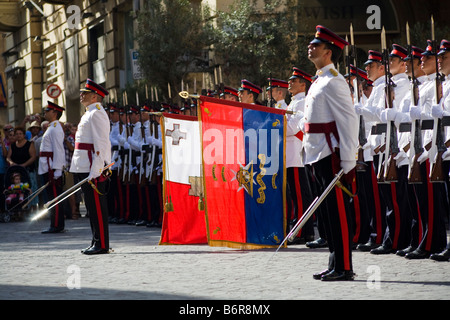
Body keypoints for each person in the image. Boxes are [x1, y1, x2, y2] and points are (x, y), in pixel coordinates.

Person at [304, 25, 358, 281]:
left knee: (337, 214)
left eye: (316, 45)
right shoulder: (319, 80)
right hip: (316, 154)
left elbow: (348, 121)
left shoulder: (334, 81)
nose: (310, 47)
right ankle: (334, 262)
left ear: (328, 52)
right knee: (327, 215)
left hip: (330, 155)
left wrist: (348, 160)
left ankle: (345, 266)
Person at [405, 40, 448, 259]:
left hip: (437, 147)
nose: (427, 61)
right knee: (422, 201)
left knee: (434, 201)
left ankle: (432, 241)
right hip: (424, 147)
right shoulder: (426, 85)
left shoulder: (439, 84)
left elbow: (438, 117)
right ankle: (427, 239)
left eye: (439, 58)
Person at [70, 79, 111, 255]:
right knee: (90, 207)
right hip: (84, 165)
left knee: (96, 207)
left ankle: (101, 244)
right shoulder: (89, 113)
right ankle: (96, 240)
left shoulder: (97, 113)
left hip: (91, 167)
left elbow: (101, 143)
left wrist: (97, 169)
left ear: (95, 96)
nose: (81, 95)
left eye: (85, 93)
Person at [283, 68, 316, 245]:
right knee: (296, 194)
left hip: (296, 155)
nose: (290, 83)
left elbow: (292, 129)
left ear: (303, 84)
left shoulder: (301, 102)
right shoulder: (294, 102)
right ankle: (301, 229)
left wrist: (277, 124)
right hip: (290, 155)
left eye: (294, 80)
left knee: (300, 195)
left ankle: (303, 230)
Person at [430, 38, 450, 261]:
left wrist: (440, 109)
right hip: (444, 148)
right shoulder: (443, 83)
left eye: (444, 56)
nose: (440, 60)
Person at [38, 102, 66, 233]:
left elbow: (59, 151)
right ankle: (56, 223)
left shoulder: (56, 128)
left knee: (54, 197)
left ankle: (56, 224)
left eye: (47, 110)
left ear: (55, 113)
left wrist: (57, 171)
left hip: (51, 169)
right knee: (51, 197)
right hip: (47, 167)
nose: (45, 112)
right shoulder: (52, 127)